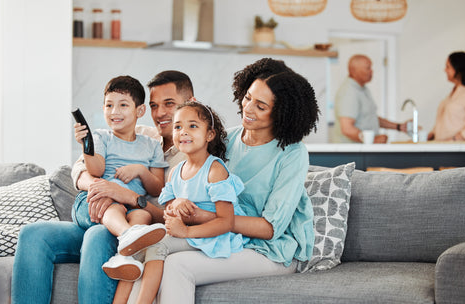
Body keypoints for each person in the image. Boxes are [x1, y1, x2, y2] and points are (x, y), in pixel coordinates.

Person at [127, 57, 320, 303]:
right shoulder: (226, 139)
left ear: (282, 113)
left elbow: (270, 229)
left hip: (270, 250)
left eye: (261, 106)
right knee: (146, 251)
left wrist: (200, 217)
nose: (248, 109)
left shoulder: (293, 153)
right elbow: (191, 179)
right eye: (248, 97)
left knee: (177, 266)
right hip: (225, 238)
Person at [11, 70, 193, 304]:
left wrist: (129, 196)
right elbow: (80, 171)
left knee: (99, 233)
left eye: (169, 104)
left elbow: (173, 214)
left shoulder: (193, 156)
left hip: (137, 221)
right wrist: (100, 187)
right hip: (99, 207)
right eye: (155, 105)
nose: (160, 113)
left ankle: (128, 239)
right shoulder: (138, 133)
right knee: (33, 234)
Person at [111, 101, 248, 303]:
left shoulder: (215, 170)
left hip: (212, 236)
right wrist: (175, 205)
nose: (183, 132)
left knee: (157, 246)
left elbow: (226, 222)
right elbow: (168, 210)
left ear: (210, 134)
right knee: (135, 249)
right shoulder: (175, 172)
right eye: (177, 127)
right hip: (186, 233)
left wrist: (186, 232)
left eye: (192, 126)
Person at [71, 75, 168, 280]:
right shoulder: (101, 137)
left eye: (123, 105)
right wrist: (85, 146)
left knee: (144, 216)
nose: (114, 112)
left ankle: (123, 257)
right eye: (109, 105)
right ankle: (126, 235)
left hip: (131, 204)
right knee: (114, 207)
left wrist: (141, 170)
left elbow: (157, 189)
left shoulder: (152, 145)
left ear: (139, 111)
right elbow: (96, 170)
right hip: (98, 198)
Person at [333, 54, 408, 143]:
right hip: (352, 153)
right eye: (368, 68)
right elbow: (347, 128)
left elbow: (370, 118)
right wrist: (374, 140)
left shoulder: (362, 89)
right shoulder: (348, 92)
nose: (371, 71)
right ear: (354, 71)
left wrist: (398, 126)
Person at [427, 51, 465, 142]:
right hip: (444, 147)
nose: (445, 70)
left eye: (448, 67)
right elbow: (448, 121)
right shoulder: (455, 91)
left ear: (458, 69)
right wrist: (432, 134)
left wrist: (456, 138)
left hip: (458, 149)